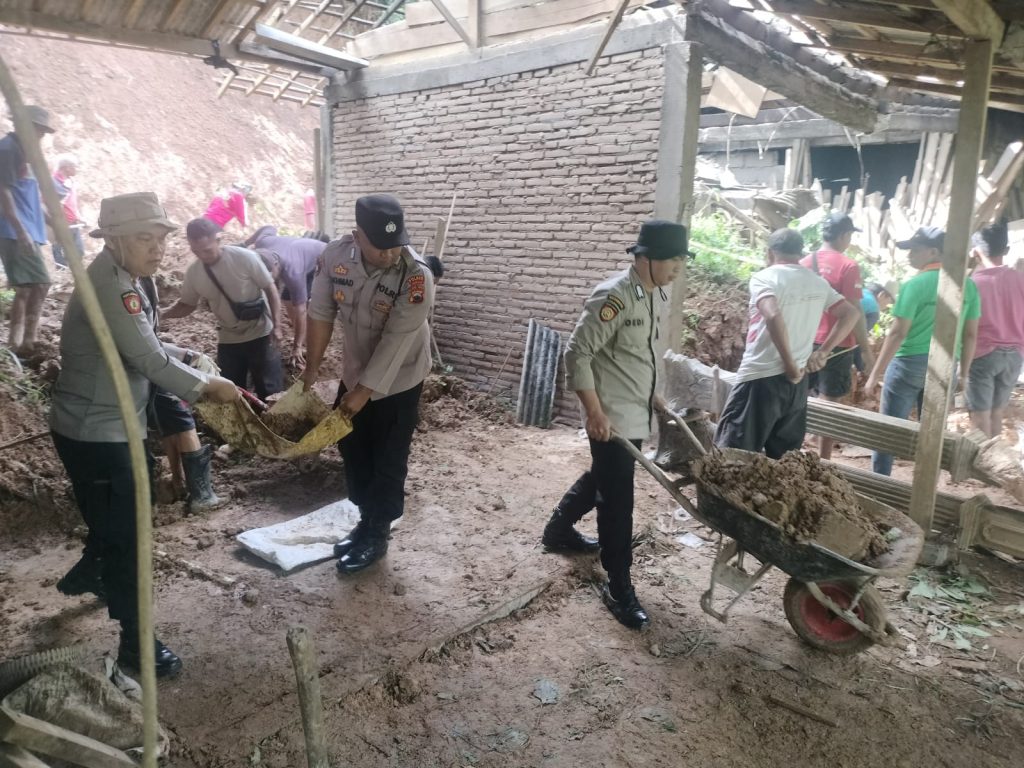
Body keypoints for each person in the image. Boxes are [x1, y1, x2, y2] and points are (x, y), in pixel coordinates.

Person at [49, 192, 239, 677]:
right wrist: (207, 387)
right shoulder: (112, 287)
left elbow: (146, 342)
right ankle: (136, 644)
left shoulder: (127, 278)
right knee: (130, 537)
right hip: (97, 433)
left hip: (109, 427)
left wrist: (188, 356)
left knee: (115, 518)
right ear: (113, 240)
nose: (157, 249)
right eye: (143, 239)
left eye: (160, 239)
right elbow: (148, 360)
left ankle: (90, 571)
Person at [547, 219, 689, 630]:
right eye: (673, 260)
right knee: (618, 502)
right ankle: (618, 584)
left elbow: (635, 356)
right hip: (610, 418)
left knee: (606, 478)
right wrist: (594, 412)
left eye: (681, 261)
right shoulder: (614, 296)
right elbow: (577, 353)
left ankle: (558, 530)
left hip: (634, 412)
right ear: (647, 258)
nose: (678, 268)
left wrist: (652, 396)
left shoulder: (651, 293)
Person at [301, 195, 434, 575]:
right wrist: (311, 368)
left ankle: (378, 532)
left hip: (401, 375)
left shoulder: (415, 274)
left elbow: (397, 339)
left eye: (396, 245)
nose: (390, 254)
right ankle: (365, 519)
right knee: (352, 445)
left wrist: (362, 393)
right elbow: (321, 312)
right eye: (380, 246)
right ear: (358, 236)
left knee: (388, 454)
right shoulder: (334, 257)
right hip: (357, 368)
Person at [715, 228, 859, 459]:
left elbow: (772, 315)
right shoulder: (817, 283)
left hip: (760, 378)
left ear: (770, 253)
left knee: (732, 456)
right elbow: (851, 314)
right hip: (797, 385)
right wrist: (823, 352)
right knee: (782, 461)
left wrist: (789, 363)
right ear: (799, 253)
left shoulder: (765, 278)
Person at [866, 227, 981, 475]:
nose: (910, 255)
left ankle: (879, 483)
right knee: (932, 433)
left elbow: (897, 333)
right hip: (946, 365)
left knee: (889, 429)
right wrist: (964, 373)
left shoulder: (914, 285)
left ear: (934, 252)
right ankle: (926, 484)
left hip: (908, 365)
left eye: (915, 250)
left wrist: (875, 374)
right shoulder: (968, 287)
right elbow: (971, 335)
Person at [163, 217, 284, 400]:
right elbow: (187, 305)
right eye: (196, 251)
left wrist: (278, 326)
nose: (202, 256)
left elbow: (270, 288)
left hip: (261, 334)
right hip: (229, 339)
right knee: (230, 392)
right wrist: (161, 314)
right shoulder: (194, 273)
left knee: (270, 392)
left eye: (207, 250)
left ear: (218, 240)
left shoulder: (244, 258)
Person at [138, 275, 224, 510]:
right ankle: (202, 496)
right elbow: (144, 346)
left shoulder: (139, 280)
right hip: (145, 370)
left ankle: (179, 483)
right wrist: (187, 356)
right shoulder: (127, 286)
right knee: (184, 424)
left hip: (143, 373)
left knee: (170, 424)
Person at [800, 212, 874, 459]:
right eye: (850, 235)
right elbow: (854, 311)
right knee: (829, 404)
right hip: (838, 345)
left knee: (798, 397)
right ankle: (823, 461)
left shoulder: (804, 262)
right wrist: (865, 349)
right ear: (844, 235)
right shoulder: (848, 266)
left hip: (805, 341)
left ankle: (791, 452)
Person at [0, 105, 54, 357]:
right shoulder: (8, 149)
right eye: (39, 131)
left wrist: (50, 219)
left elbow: (26, 193)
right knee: (37, 284)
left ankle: (22, 342)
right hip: (14, 230)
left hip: (27, 228)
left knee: (30, 285)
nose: (41, 136)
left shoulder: (24, 153)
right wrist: (20, 230)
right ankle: (22, 342)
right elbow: (4, 192)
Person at [966, 219, 1024, 437]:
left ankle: (979, 459)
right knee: (996, 414)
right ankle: (993, 457)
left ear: (975, 252)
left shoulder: (972, 284)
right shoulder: (1020, 278)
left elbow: (967, 329)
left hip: (983, 354)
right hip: (1015, 355)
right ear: (1006, 250)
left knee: (980, 417)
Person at [246, 225, 326, 367]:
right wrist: (245, 243)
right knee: (287, 300)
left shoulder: (293, 273)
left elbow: (301, 310)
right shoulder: (262, 242)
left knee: (303, 305)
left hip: (322, 261)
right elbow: (269, 227)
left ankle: (311, 345)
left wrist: (296, 348)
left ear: (276, 266)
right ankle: (303, 337)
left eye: (269, 277)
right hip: (299, 252)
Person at [51, 154, 84, 268]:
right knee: (60, 258)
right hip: (60, 225)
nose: (77, 169)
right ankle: (64, 272)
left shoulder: (70, 181)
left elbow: (71, 202)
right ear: (67, 167)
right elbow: (51, 204)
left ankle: (73, 272)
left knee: (79, 251)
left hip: (73, 224)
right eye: (75, 166)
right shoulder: (54, 182)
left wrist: (79, 217)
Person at [854, 282, 894, 373]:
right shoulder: (873, 308)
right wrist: (863, 367)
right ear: (882, 295)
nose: (886, 307)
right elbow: (858, 340)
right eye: (888, 302)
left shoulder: (858, 294)